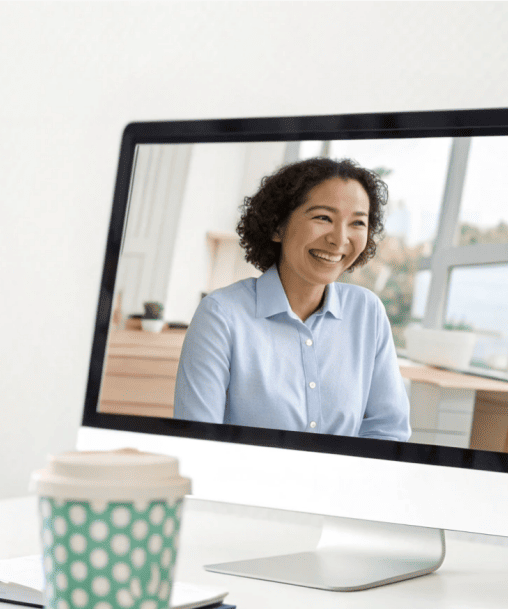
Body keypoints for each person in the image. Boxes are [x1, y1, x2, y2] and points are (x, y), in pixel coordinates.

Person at [173, 157, 411, 441]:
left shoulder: (367, 312)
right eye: (323, 217)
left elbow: (388, 429)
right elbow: (198, 440)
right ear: (277, 226)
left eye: (357, 222)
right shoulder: (221, 315)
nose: (339, 239)